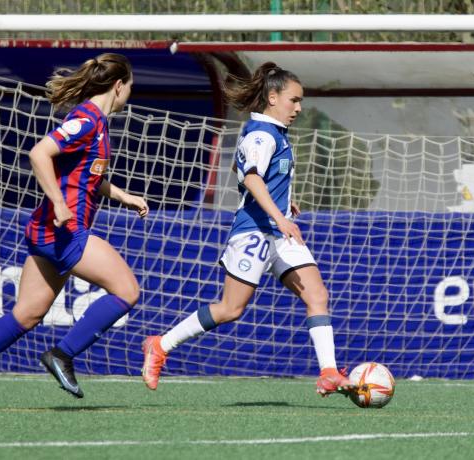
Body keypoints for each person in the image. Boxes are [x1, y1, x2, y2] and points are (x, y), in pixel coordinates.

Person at [0, 53, 148, 411]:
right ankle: (62, 355)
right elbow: (39, 153)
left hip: (46, 231)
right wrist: (60, 204)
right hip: (64, 231)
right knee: (127, 291)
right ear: (118, 86)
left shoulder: (96, 123)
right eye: (129, 87)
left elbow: (88, 177)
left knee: (28, 313)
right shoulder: (85, 120)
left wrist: (124, 196)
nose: (129, 93)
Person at [141, 62, 355, 397]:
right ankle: (160, 344)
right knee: (230, 309)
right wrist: (279, 216)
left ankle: (328, 371)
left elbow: (254, 176)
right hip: (255, 231)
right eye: (293, 100)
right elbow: (251, 177)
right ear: (272, 97)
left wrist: (285, 204)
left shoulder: (273, 134)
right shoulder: (260, 134)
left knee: (317, 295)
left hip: (278, 232)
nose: (298, 108)